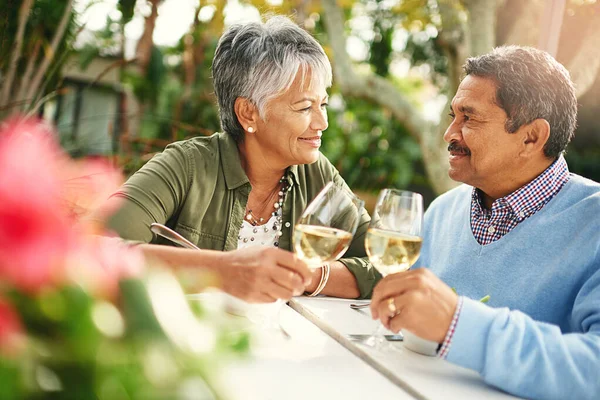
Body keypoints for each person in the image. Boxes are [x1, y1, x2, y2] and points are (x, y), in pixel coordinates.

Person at [367, 46, 600, 400]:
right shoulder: (442, 211)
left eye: (469, 118)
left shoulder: (594, 222)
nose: (450, 133)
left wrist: (459, 325)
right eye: (453, 116)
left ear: (531, 137)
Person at [100, 16, 371, 303]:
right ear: (248, 113)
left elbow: (382, 266)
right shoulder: (186, 165)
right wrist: (223, 271)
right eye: (305, 107)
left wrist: (307, 275)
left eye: (323, 104)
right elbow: (91, 251)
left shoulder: (317, 174)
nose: (322, 123)